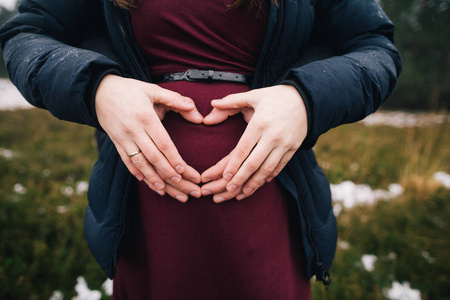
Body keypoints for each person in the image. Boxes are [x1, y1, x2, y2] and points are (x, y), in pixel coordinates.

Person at [0, 0, 402, 298]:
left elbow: (375, 48)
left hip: (267, 204)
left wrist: (305, 99)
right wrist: (97, 88)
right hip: (145, 206)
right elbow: (25, 36)